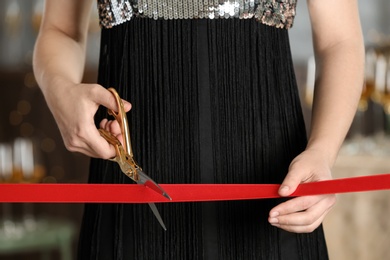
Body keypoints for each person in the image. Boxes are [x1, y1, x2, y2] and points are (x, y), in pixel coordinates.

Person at [33, 0, 364, 259]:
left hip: (273, 203)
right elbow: (60, 29)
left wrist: (323, 151)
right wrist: (60, 89)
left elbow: (340, 40)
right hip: (129, 200)